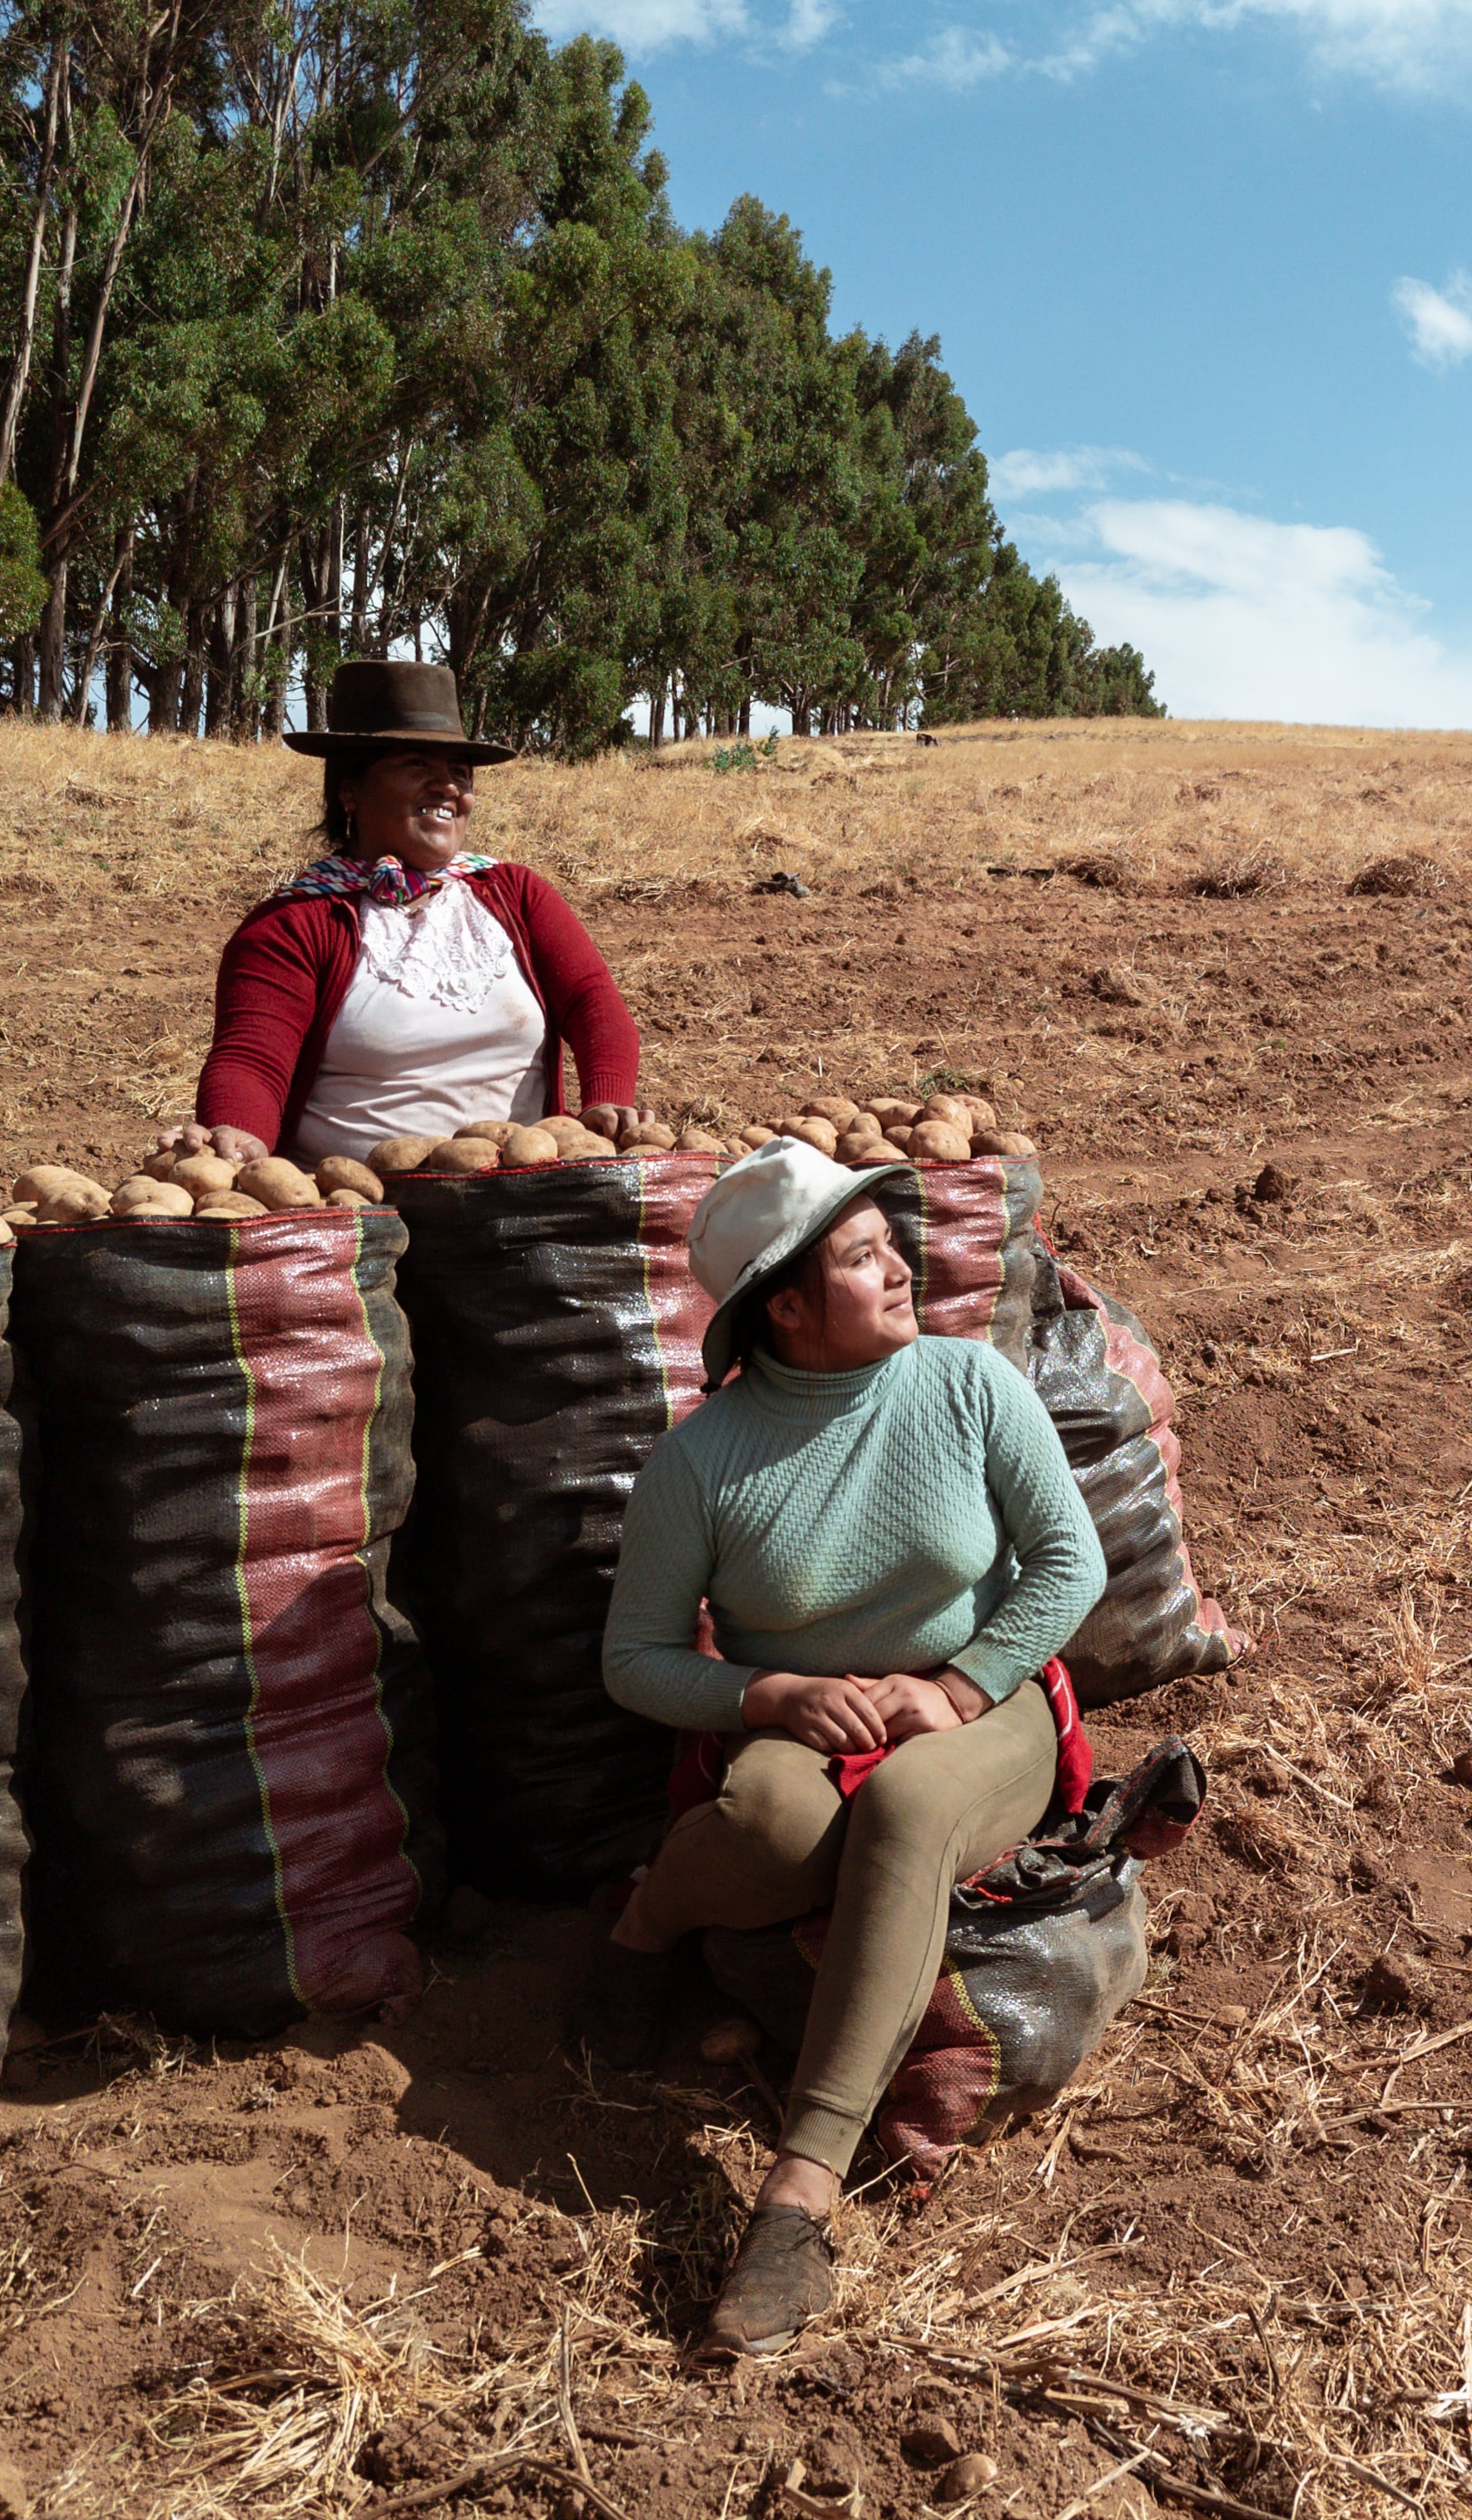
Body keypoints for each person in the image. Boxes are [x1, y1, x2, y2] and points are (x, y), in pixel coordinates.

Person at [592, 1140, 1104, 2357]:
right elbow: (636, 1660)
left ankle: (798, 2190)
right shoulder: (702, 1460)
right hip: (810, 1724)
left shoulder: (967, 1385)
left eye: (891, 1245)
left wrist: (965, 1685)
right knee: (773, 1829)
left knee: (914, 1810)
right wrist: (767, 1694)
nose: (900, 1271)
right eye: (862, 1257)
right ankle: (647, 1924)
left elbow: (1069, 1562)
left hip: (988, 1713)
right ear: (785, 1306)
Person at [160, 659, 640, 1167]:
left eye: (460, 773)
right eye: (417, 766)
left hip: (520, 1192)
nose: (449, 788)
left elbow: (594, 1004)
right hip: (358, 1203)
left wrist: (606, 1102)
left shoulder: (515, 895)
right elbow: (251, 1061)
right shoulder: (293, 924)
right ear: (350, 789)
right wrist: (239, 1135)